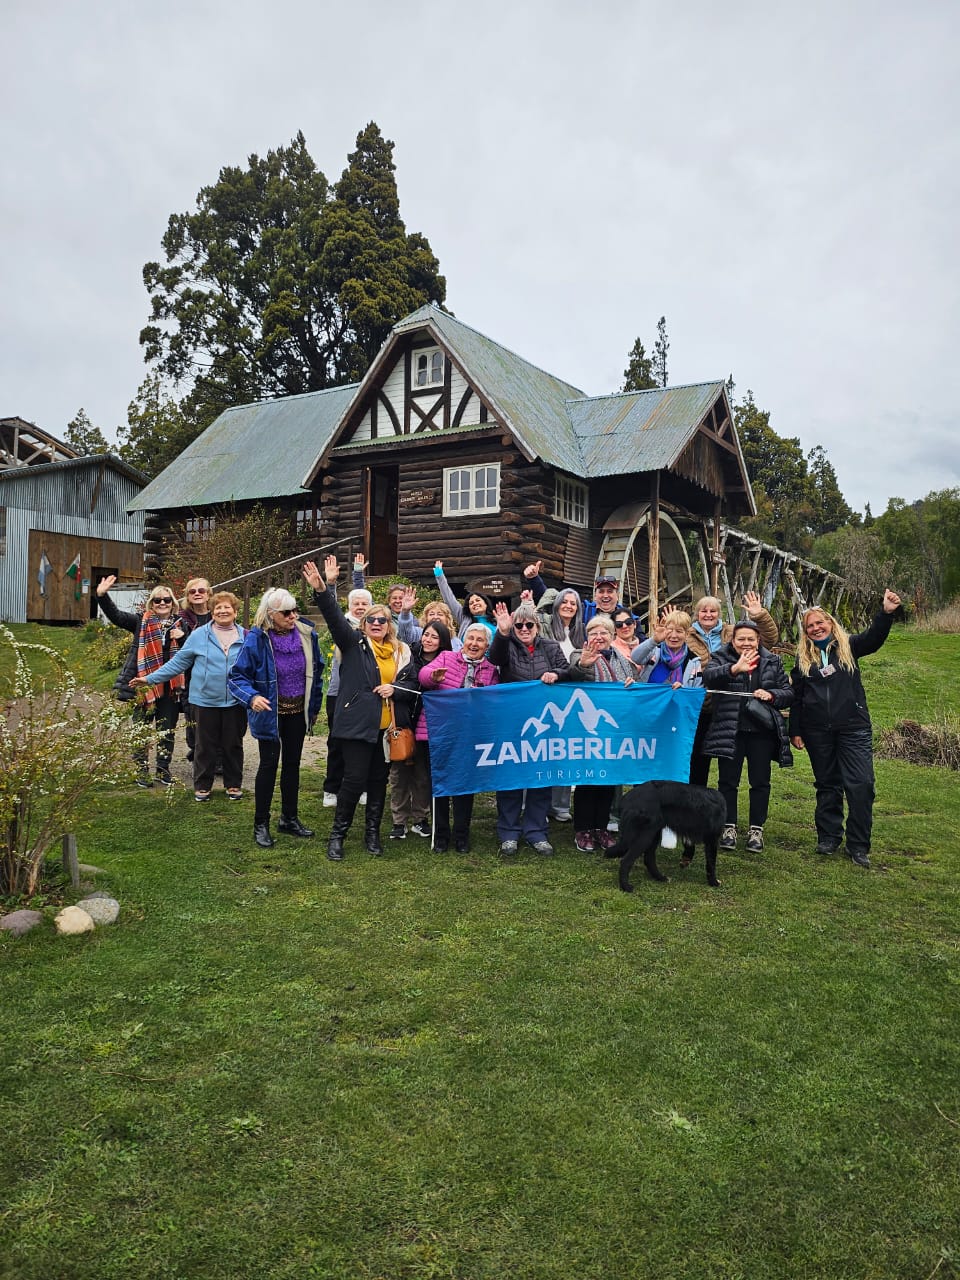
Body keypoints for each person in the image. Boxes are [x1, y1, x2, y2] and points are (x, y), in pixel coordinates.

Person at [305, 558, 416, 862]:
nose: (377, 624)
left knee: (378, 782)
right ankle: (338, 835)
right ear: (364, 625)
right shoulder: (354, 644)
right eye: (372, 620)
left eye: (382, 620)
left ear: (389, 625)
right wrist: (323, 589)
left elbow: (411, 681)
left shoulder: (399, 651)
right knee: (353, 781)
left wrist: (395, 689)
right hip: (357, 725)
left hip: (385, 728)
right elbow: (333, 618)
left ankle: (372, 835)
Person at [789, 590, 902, 869]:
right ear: (805, 633)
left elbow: (873, 639)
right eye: (810, 626)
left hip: (853, 727)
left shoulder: (849, 646)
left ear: (830, 623)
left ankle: (858, 845)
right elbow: (797, 698)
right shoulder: (804, 660)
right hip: (817, 731)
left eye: (820, 623)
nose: (816, 628)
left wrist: (886, 613)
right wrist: (796, 729)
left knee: (861, 785)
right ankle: (828, 836)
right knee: (827, 784)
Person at [228, 587, 324, 849]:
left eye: (295, 610)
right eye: (286, 612)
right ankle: (261, 824)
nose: (293, 616)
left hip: (297, 713)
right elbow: (237, 676)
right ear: (271, 614)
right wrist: (251, 698)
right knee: (269, 766)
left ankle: (289, 819)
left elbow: (316, 670)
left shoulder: (306, 634)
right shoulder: (257, 639)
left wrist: (314, 706)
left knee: (292, 765)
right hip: (270, 713)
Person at [130, 591, 247, 802]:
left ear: (235, 612)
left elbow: (255, 667)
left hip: (235, 701)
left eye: (227, 607)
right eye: (218, 608)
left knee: (233, 744)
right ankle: (202, 786)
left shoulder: (246, 636)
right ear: (212, 611)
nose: (222, 611)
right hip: (204, 700)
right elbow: (178, 663)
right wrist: (149, 679)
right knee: (204, 745)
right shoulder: (200, 635)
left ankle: (233, 784)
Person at [488, 601, 576, 858]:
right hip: (512, 721)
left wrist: (556, 674)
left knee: (540, 776)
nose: (524, 629)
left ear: (538, 627)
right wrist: (503, 633)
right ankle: (508, 832)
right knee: (510, 777)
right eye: (519, 625)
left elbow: (566, 669)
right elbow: (495, 658)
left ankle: (537, 831)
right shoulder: (507, 645)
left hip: (543, 723)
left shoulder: (550, 647)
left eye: (529, 624)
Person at [702, 620, 794, 854]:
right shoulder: (721, 657)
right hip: (730, 729)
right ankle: (728, 827)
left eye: (750, 639)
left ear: (758, 640)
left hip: (761, 732)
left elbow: (788, 693)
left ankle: (756, 829)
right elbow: (709, 678)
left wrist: (771, 694)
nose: (746, 643)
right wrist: (734, 669)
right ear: (732, 640)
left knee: (760, 781)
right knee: (727, 782)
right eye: (741, 638)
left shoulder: (772, 660)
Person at [96, 575, 185, 787]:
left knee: (166, 731)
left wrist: (181, 637)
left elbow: (191, 651)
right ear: (151, 604)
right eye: (157, 600)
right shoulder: (140, 622)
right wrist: (102, 595)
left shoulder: (181, 626)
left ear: (173, 604)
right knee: (141, 730)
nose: (162, 603)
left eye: (167, 600)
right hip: (143, 685)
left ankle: (163, 770)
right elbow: (116, 616)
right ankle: (142, 771)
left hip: (170, 688)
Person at [419, 623, 500, 852]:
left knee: (465, 785)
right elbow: (424, 676)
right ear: (463, 640)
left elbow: (493, 701)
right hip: (439, 733)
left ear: (487, 645)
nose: (474, 644)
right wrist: (434, 677)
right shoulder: (446, 657)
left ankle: (462, 835)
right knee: (440, 785)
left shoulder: (491, 669)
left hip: (470, 736)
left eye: (479, 640)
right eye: (470, 638)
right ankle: (441, 835)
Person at [685, 591, 780, 786]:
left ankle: (720, 804)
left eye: (713, 611)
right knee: (697, 760)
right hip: (700, 707)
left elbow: (768, 640)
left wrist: (759, 615)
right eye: (703, 611)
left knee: (728, 762)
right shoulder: (687, 636)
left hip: (728, 707)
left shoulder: (732, 632)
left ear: (719, 613)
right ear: (697, 613)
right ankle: (695, 802)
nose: (708, 614)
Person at [569, 615, 639, 851]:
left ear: (612, 636)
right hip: (587, 728)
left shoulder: (624, 660)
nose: (598, 638)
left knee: (608, 779)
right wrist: (585, 665)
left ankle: (601, 827)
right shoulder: (580, 655)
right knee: (588, 778)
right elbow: (573, 675)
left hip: (614, 729)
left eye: (603, 633)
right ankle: (583, 829)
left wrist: (632, 683)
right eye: (593, 633)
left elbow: (634, 686)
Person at [389, 620, 453, 841]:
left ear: (442, 641)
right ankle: (399, 821)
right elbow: (405, 685)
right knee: (399, 775)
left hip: (430, 727)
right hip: (405, 723)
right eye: (426, 635)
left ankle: (420, 818)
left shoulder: (447, 663)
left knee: (422, 776)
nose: (428, 640)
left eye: (434, 637)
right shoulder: (409, 656)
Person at [322, 574, 373, 807]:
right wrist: (330, 585)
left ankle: (362, 787)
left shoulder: (376, 626)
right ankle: (332, 788)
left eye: (365, 604)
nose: (360, 607)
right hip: (338, 693)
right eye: (356, 603)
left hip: (366, 695)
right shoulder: (343, 624)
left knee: (363, 744)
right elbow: (330, 611)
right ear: (349, 606)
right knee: (337, 742)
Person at [539, 587, 585, 822]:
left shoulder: (581, 634)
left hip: (572, 695)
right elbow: (533, 615)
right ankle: (538, 804)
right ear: (556, 605)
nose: (568, 606)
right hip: (548, 694)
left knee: (566, 750)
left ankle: (560, 805)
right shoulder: (546, 626)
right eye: (564, 602)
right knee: (543, 751)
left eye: (573, 603)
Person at [177, 578, 213, 763]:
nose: (197, 594)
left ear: (208, 594)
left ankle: (218, 759)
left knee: (216, 719)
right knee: (193, 717)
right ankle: (198, 753)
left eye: (201, 590)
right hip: (190, 676)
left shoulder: (219, 614)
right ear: (188, 596)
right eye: (192, 591)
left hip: (215, 674)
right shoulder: (180, 619)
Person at [432, 562, 497, 640]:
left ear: (486, 603)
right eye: (471, 603)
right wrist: (439, 576)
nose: (475, 603)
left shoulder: (496, 622)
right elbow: (449, 599)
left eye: (478, 600)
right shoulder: (465, 619)